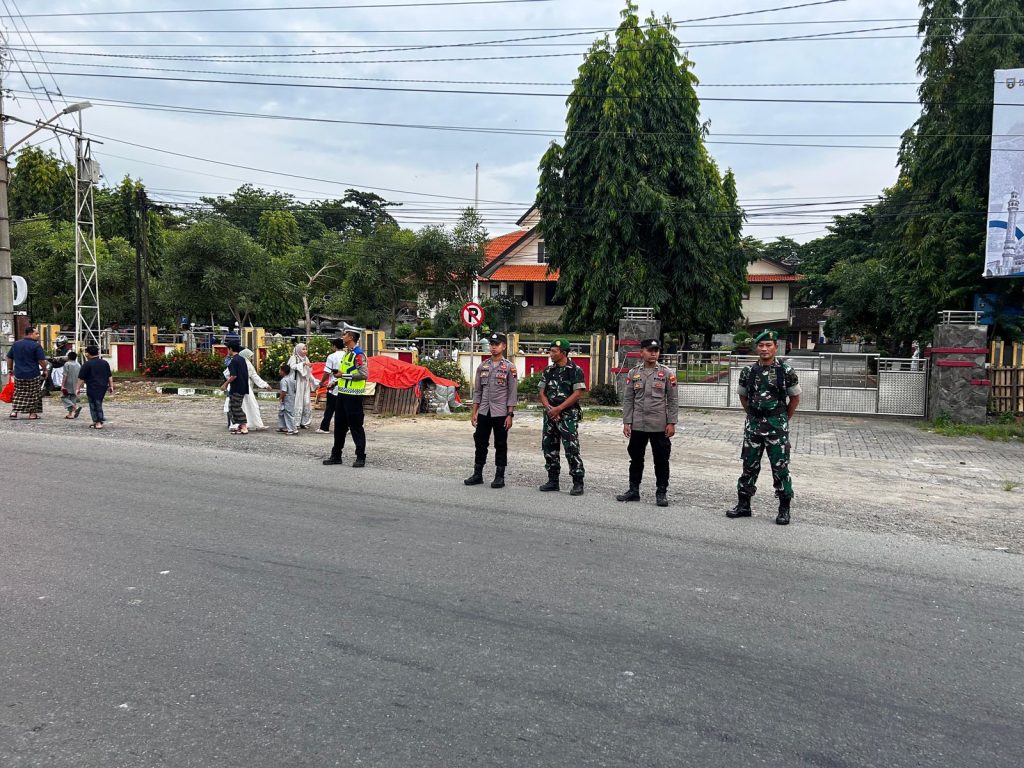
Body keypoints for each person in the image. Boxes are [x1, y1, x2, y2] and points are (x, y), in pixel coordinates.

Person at [727, 329, 801, 525]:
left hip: (777, 426)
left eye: (769, 345)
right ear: (756, 348)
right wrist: (753, 415)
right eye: (761, 345)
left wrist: (783, 418)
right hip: (753, 426)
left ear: (776, 347)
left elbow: (795, 398)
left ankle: (784, 509)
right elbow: (743, 396)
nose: (764, 349)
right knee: (749, 466)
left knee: (780, 468)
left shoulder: (786, 371)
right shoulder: (748, 371)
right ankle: (744, 505)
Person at [616, 339, 679, 507]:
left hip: (659, 424)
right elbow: (628, 399)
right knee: (636, 458)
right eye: (650, 350)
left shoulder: (667, 373)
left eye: (656, 350)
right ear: (642, 352)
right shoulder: (633, 373)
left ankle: (661, 493)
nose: (654, 353)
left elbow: (673, 400)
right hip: (638, 424)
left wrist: (672, 422)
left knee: (661, 460)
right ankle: (633, 490)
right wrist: (627, 422)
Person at [464, 332, 518, 489]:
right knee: (480, 442)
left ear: (504, 346)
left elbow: (512, 393)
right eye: (492, 344)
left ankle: (499, 476)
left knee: (500, 444)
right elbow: (478, 392)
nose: (493, 347)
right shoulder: (483, 366)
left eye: (497, 344)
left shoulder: (509, 367)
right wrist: (474, 412)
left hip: (500, 412)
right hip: (484, 411)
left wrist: (510, 414)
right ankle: (477, 474)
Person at [538, 338, 587, 496]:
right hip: (550, 414)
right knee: (549, 447)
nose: (550, 354)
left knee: (571, 449)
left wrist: (558, 409)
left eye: (554, 351)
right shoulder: (548, 371)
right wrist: (550, 409)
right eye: (550, 350)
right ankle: (553, 480)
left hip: (567, 415)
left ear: (563, 353)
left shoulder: (575, 370)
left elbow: (577, 393)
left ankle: (578, 482)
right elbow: (542, 392)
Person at [323, 329, 369, 467]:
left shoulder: (359, 355)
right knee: (339, 427)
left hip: (354, 397)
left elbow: (364, 374)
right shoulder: (347, 354)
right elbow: (345, 373)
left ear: (351, 337)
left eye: (344, 335)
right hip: (342, 395)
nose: (342, 337)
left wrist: (342, 376)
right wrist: (335, 382)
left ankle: (360, 457)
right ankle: (336, 455)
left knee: (356, 427)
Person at [6, 326, 47, 420]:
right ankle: (32, 414)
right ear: (30, 334)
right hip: (33, 374)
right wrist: (45, 369)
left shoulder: (16, 344)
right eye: (36, 333)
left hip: (19, 374)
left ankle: (14, 412)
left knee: (18, 393)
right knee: (34, 393)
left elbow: (9, 357)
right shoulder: (36, 346)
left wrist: (10, 369)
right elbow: (41, 360)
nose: (38, 335)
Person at [75, 345, 113, 429]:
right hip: (103, 387)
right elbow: (109, 376)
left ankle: (98, 422)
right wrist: (111, 386)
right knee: (98, 402)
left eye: (86, 352)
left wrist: (77, 388)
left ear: (88, 353)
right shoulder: (104, 363)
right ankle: (97, 420)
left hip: (92, 387)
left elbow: (81, 378)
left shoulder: (87, 364)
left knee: (94, 404)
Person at [316, 337, 345, 434]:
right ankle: (346, 427)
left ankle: (324, 427)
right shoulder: (347, 355)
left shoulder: (331, 356)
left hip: (333, 386)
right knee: (344, 409)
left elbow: (327, 372)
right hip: (344, 385)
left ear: (334, 346)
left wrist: (321, 382)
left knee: (330, 408)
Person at [220, 341, 250, 435]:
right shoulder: (242, 359)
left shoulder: (234, 361)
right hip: (242, 387)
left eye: (227, 349)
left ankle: (244, 426)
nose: (227, 351)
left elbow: (233, 376)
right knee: (232, 407)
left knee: (236, 407)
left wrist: (225, 384)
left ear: (231, 349)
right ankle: (240, 426)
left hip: (237, 387)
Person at [287, 342, 317, 429]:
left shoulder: (306, 358)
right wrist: (302, 364)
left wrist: (314, 381)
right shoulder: (294, 358)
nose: (305, 351)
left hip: (305, 382)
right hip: (297, 382)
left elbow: (308, 372)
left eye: (306, 349)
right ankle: (295, 422)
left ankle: (304, 421)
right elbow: (292, 367)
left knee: (306, 401)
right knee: (297, 401)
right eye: (303, 349)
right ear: (298, 350)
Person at [60, 351, 83, 419]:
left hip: (68, 383)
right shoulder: (78, 364)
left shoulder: (67, 364)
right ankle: (70, 414)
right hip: (76, 383)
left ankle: (75, 408)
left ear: (68, 357)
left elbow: (65, 375)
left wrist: (62, 385)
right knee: (73, 398)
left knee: (63, 396)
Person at [277, 362, 298, 435]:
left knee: (288, 414)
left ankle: (292, 429)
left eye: (280, 370)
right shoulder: (292, 379)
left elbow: (284, 391)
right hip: (291, 398)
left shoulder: (283, 380)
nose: (279, 372)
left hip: (286, 399)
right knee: (282, 413)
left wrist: (280, 398)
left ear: (283, 371)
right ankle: (283, 426)